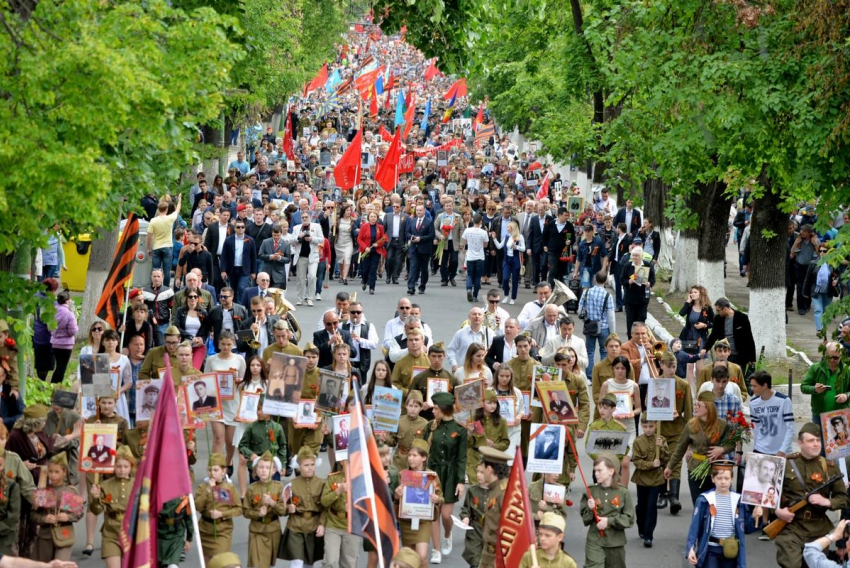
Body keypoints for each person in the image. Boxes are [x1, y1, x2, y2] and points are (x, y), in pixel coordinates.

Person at [773, 423, 849, 568]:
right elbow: (769, 493)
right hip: (792, 527)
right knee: (791, 564)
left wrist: (827, 502)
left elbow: (843, 498)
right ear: (800, 443)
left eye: (818, 440)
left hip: (818, 528)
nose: (816, 444)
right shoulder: (786, 464)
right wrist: (777, 511)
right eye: (810, 441)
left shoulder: (830, 468)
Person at [664, 392, 736, 504]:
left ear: (709, 407)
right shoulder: (691, 425)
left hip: (715, 471)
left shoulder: (722, 425)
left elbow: (731, 444)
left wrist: (721, 449)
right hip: (695, 470)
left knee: (714, 506)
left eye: (699, 405)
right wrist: (670, 467)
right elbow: (680, 448)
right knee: (699, 506)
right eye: (695, 404)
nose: (695, 408)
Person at [686, 460, 758, 568]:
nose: (723, 482)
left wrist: (755, 516)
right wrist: (690, 548)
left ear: (731, 479)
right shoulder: (704, 500)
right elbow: (694, 527)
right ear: (712, 479)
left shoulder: (738, 501)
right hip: (711, 549)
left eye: (726, 478)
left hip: (731, 549)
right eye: (719, 478)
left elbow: (747, 528)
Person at [423, 391, 468, 563]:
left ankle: (447, 535)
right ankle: (436, 550)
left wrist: (460, 482)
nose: (433, 411)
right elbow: (422, 449)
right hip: (433, 474)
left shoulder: (460, 430)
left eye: (435, 408)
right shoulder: (431, 426)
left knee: (446, 515)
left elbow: (462, 458)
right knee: (434, 514)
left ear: (443, 409)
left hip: (450, 475)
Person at [393, 439, 443, 567]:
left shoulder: (431, 476)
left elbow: (441, 497)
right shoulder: (402, 475)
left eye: (414, 456)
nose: (410, 458)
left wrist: (437, 499)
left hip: (423, 520)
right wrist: (397, 495)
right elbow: (395, 498)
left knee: (422, 557)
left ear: (424, 458)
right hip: (406, 520)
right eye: (409, 455)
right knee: (409, 559)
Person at [580, 454, 635, 568]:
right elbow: (585, 519)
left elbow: (629, 519)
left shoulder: (623, 492)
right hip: (595, 540)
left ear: (611, 471)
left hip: (615, 542)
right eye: (595, 470)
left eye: (600, 470)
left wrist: (609, 521)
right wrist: (591, 510)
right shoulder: (591, 491)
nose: (596, 474)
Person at [88, 446, 135, 568]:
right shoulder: (104, 485)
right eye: (118, 466)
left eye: (126, 467)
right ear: (113, 467)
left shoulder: (137, 484)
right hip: (111, 533)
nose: (122, 470)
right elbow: (96, 510)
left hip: (132, 532)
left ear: (131, 467)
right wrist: (95, 497)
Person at [193, 453, 242, 566]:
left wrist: (222, 514)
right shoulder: (202, 488)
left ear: (223, 471)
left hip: (222, 531)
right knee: (207, 563)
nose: (212, 473)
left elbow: (239, 509)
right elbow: (197, 506)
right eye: (209, 470)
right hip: (205, 530)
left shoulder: (229, 488)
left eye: (215, 470)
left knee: (220, 562)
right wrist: (208, 490)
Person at [31, 453, 82, 562]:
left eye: (57, 472)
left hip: (64, 535)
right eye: (50, 471)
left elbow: (78, 514)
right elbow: (33, 514)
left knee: (61, 564)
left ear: (64, 472)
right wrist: (44, 519)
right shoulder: (44, 491)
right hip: (45, 536)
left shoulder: (70, 491)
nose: (53, 475)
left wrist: (67, 517)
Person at [279, 447, 325, 567]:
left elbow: (325, 507)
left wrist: (322, 524)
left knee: (309, 562)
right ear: (299, 466)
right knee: (297, 561)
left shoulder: (321, 483)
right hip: (296, 527)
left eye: (312, 464)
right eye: (306, 465)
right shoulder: (292, 484)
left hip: (313, 527)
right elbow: (282, 506)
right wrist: (288, 508)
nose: (310, 467)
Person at [242, 451, 286, 568]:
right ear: (256, 470)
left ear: (274, 471)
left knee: (269, 563)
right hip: (257, 531)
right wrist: (258, 514)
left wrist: (272, 502)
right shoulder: (252, 488)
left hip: (273, 530)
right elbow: (245, 511)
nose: (264, 470)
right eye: (261, 467)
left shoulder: (279, 487)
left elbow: (283, 511)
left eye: (267, 467)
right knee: (257, 564)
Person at [632, 416, 668, 548]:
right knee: (641, 506)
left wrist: (661, 448)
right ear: (641, 426)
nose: (648, 430)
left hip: (656, 479)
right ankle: (641, 527)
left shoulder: (661, 440)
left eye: (651, 426)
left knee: (651, 507)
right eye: (645, 426)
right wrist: (651, 464)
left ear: (656, 426)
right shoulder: (638, 441)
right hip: (641, 479)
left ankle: (648, 535)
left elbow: (666, 459)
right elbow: (636, 461)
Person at [801, 341, 850, 428]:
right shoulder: (815, 368)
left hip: (840, 414)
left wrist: (846, 396)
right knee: (819, 440)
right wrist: (814, 389)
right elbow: (803, 387)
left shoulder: (847, 370)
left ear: (841, 356)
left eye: (835, 358)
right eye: (829, 357)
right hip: (819, 415)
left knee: (839, 440)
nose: (831, 360)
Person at [703, 297, 756, 373]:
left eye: (718, 310)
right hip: (725, 355)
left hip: (740, 355)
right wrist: (705, 348)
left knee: (738, 379)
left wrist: (752, 358)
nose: (717, 312)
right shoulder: (718, 319)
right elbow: (713, 335)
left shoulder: (742, 318)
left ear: (725, 309)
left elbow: (749, 338)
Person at [387, 391, 429, 472]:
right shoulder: (398, 421)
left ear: (421, 408)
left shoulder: (425, 424)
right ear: (406, 406)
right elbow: (393, 442)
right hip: (400, 460)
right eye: (410, 406)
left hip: (417, 463)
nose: (413, 409)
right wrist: (385, 438)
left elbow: (427, 446)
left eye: (416, 406)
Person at [147, 195, 182, 287]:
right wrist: (179, 199)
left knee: (156, 269)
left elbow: (149, 235)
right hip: (167, 247)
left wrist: (148, 248)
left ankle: (155, 286)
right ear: (166, 209)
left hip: (156, 247)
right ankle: (165, 288)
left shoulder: (153, 220)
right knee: (167, 271)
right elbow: (178, 209)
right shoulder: (169, 218)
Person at [620, 246, 655, 337]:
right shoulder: (628, 266)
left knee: (641, 318)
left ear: (641, 256)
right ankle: (630, 338)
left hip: (643, 297)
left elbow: (653, 278)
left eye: (637, 255)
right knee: (630, 320)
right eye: (633, 255)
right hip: (630, 298)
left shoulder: (647, 265)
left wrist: (649, 283)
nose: (635, 257)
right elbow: (622, 279)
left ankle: (641, 337)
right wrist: (629, 281)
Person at [405, 204, 436, 296]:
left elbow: (431, 235)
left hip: (424, 249)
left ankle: (422, 286)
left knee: (424, 269)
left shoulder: (429, 221)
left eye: (420, 210)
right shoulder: (412, 221)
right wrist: (411, 237)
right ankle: (411, 287)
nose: (418, 212)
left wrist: (420, 238)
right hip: (414, 248)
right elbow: (407, 232)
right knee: (413, 268)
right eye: (417, 210)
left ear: (424, 211)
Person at [50, 291, 78, 384]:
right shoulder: (70, 314)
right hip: (66, 344)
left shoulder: (52, 311)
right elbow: (72, 331)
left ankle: (53, 384)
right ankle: (56, 384)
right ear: (68, 301)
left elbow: (49, 327)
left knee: (58, 365)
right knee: (62, 367)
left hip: (55, 342)